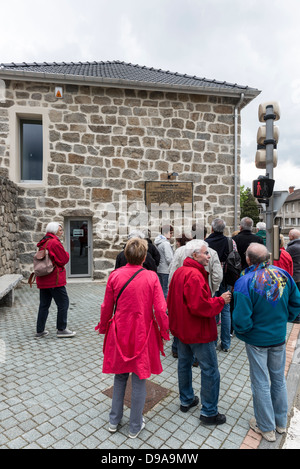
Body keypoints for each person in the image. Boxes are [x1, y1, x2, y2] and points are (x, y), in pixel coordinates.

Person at [96, 238, 170, 439]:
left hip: (119, 330)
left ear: (125, 255)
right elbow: (160, 309)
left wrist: (103, 327)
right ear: (145, 257)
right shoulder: (152, 277)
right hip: (141, 332)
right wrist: (164, 331)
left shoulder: (115, 276)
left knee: (119, 376)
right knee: (139, 379)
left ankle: (114, 420)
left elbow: (106, 306)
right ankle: (135, 425)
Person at [232, 243, 300, 442]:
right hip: (278, 337)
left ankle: (266, 427)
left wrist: (245, 331)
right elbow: (296, 301)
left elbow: (241, 319)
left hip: (257, 340)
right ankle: (280, 422)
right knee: (278, 379)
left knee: (260, 381)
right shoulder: (282, 274)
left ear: (248, 259)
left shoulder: (244, 282)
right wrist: (285, 318)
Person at [167, 239, 231, 425]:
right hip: (197, 331)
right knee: (210, 370)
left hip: (182, 328)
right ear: (194, 255)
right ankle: (209, 411)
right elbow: (200, 306)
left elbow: (172, 300)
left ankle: (186, 399)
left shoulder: (180, 272)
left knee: (184, 364)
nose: (209, 256)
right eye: (205, 253)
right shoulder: (194, 276)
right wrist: (220, 300)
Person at [35, 222, 76, 338]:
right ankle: (61, 329)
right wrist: (67, 253)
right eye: (60, 230)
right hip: (54, 279)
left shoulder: (43, 242)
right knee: (63, 303)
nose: (62, 232)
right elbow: (63, 259)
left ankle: (40, 330)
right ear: (54, 231)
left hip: (43, 279)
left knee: (44, 305)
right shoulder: (54, 242)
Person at [205, 218, 238, 352]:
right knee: (225, 310)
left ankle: (212, 342)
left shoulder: (205, 243)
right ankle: (226, 343)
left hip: (210, 280)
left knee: (212, 309)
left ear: (212, 228)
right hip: (225, 280)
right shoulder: (231, 242)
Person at [154, 225, 174, 298]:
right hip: (166, 270)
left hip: (159, 269)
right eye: (171, 233)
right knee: (165, 290)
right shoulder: (166, 243)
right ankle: (165, 307)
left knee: (161, 290)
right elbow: (169, 258)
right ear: (166, 232)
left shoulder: (158, 242)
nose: (172, 235)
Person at [286, 229, 300, 323]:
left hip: (295, 276)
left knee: (295, 297)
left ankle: (296, 316)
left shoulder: (292, 248)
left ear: (291, 236)